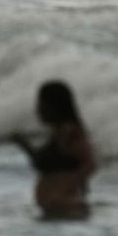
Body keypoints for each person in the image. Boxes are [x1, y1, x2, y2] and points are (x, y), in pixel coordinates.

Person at [11, 80, 96, 219]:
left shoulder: (70, 132)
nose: (38, 110)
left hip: (67, 209)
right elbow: (45, 165)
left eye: (41, 104)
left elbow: (90, 164)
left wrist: (64, 187)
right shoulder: (57, 133)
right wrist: (24, 145)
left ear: (55, 106)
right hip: (53, 210)